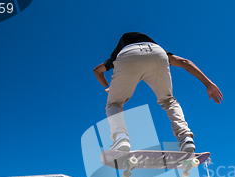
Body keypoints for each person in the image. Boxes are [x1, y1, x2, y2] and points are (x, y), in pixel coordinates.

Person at [93, 32, 223, 153]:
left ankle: (121, 138)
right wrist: (208, 83)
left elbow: (97, 71)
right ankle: (185, 138)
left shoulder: (119, 53)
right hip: (158, 53)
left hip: (127, 55)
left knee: (114, 104)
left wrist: (108, 86)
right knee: (169, 101)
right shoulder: (158, 49)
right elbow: (185, 62)